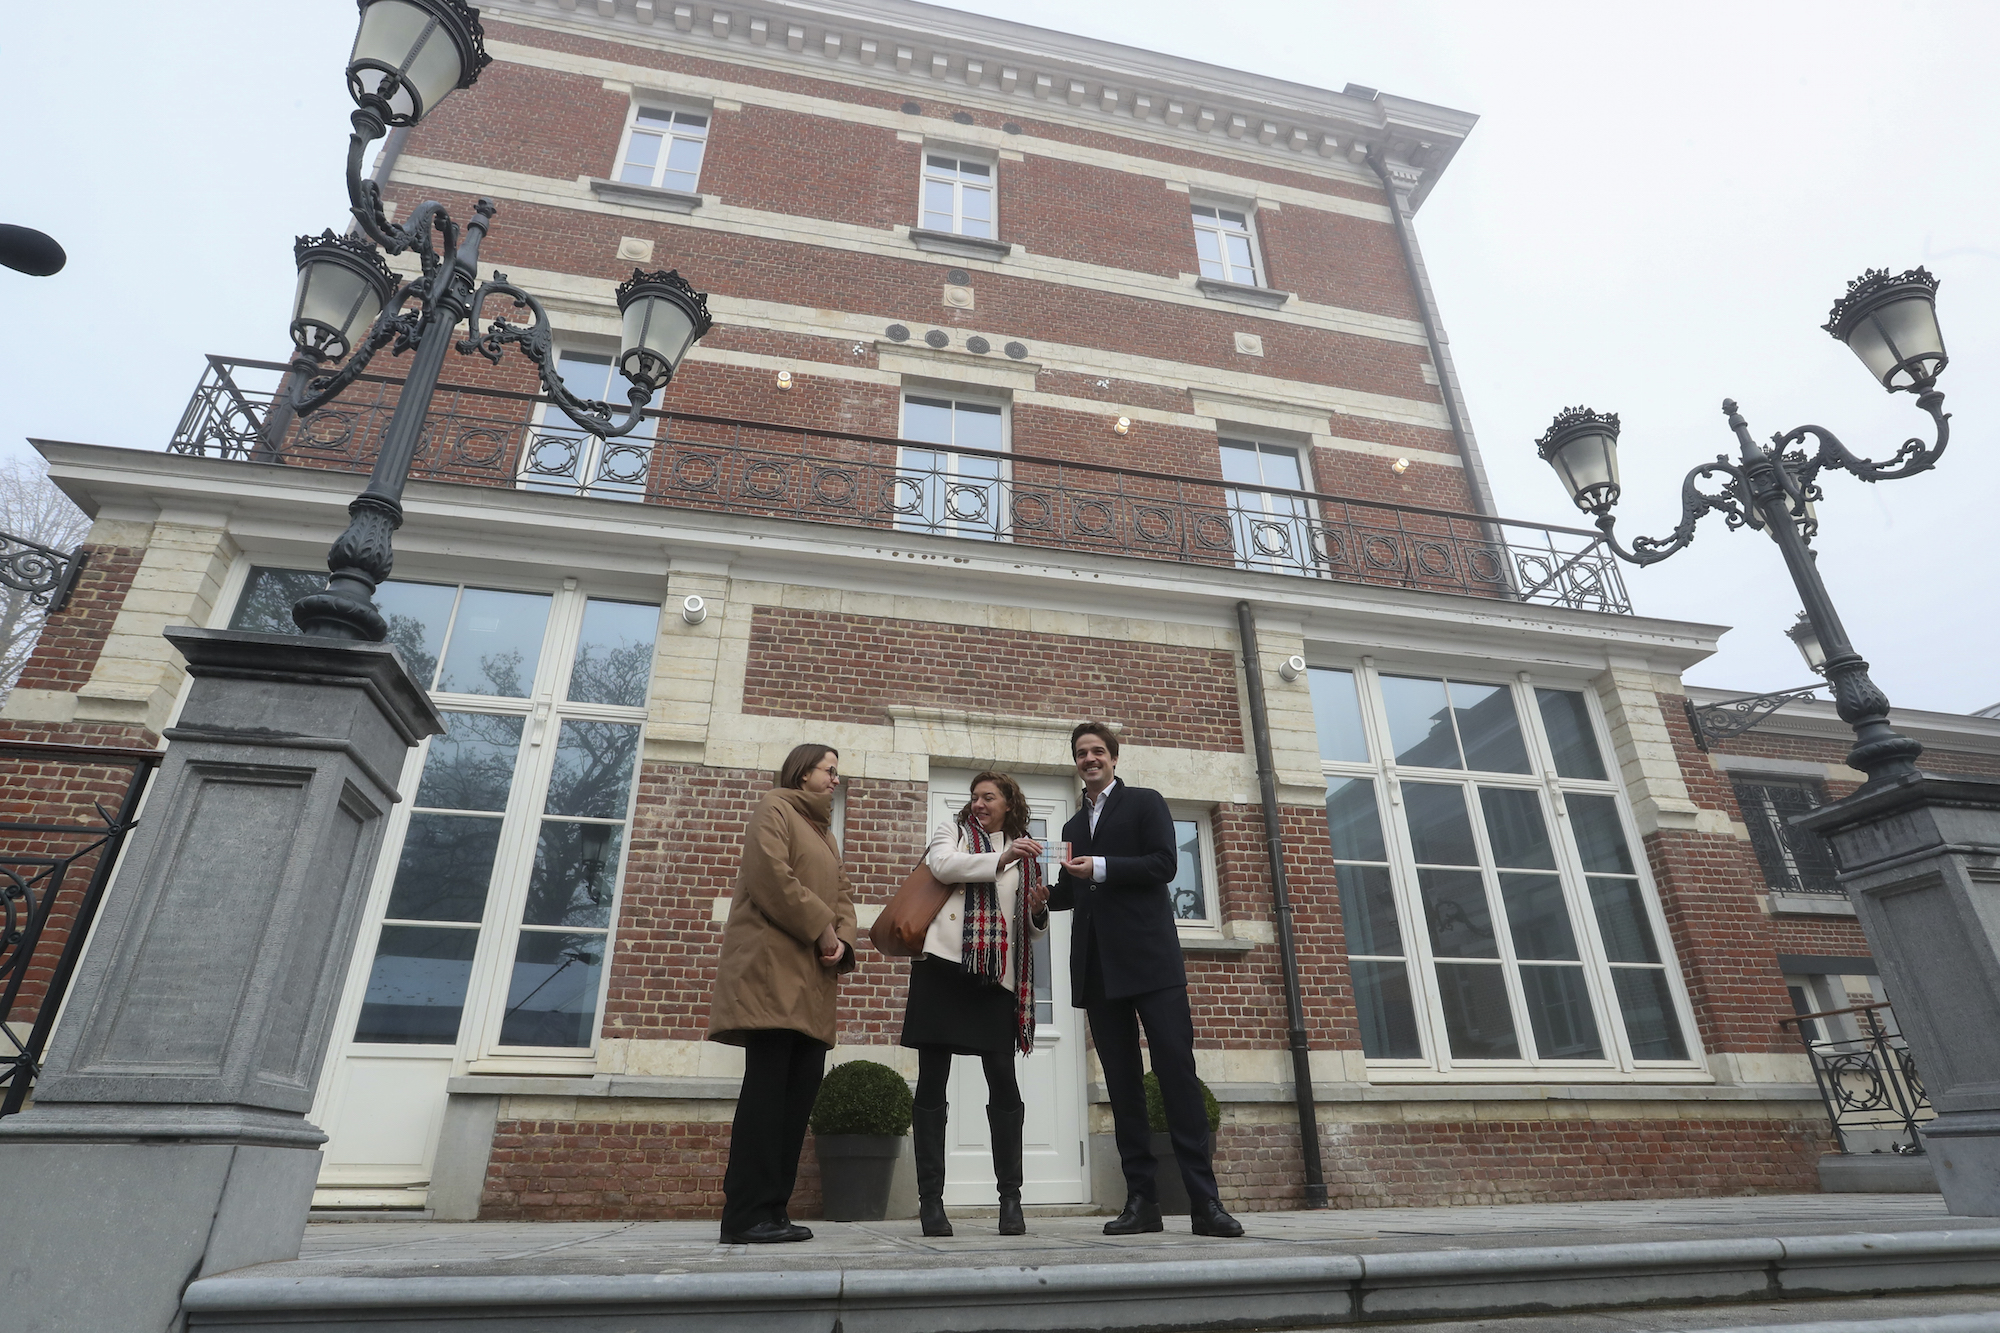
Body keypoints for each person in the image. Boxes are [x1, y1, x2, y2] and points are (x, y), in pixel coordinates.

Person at [1049, 721, 1244, 1239]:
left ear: (1113, 757)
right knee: (1123, 1087)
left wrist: (1104, 868)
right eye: (1081, 753)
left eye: (1097, 751)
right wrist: (1034, 894)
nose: (1089, 759)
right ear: (1076, 763)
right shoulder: (1070, 829)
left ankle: (1205, 1202)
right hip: (1098, 969)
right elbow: (1071, 894)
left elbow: (1163, 865)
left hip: (1152, 964)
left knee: (1176, 1076)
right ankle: (1142, 1202)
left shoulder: (1145, 802)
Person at [708, 743, 857, 1244]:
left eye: (837, 772)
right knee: (766, 1099)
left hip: (812, 988)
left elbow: (843, 897)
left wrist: (843, 940)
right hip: (771, 978)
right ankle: (744, 1215)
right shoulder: (774, 809)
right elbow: (772, 877)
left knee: (795, 1104)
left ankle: (773, 1210)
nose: (836, 779)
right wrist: (822, 928)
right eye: (829, 770)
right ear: (802, 772)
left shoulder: (825, 835)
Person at [901, 771, 1051, 1238]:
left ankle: (1011, 1201)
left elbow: (1028, 928)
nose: (979, 803)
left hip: (994, 979)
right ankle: (931, 1202)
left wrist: (1038, 908)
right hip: (942, 969)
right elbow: (945, 868)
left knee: (1003, 1084)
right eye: (975, 797)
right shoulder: (953, 833)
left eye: (989, 797)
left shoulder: (1024, 851)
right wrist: (1001, 856)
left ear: (1009, 803)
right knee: (932, 1083)